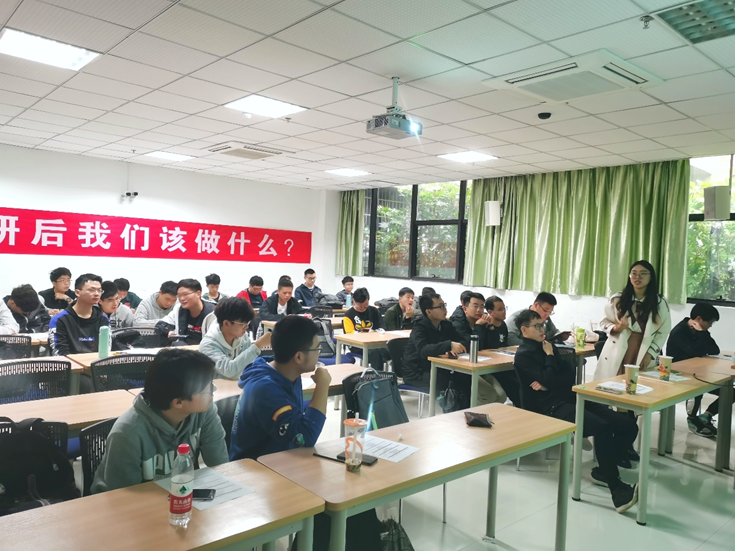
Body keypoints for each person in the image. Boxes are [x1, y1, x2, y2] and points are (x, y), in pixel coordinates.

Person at [230, 316, 382, 551]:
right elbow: (305, 437)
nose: (320, 353)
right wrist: (322, 385)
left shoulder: (283, 372)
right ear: (299, 357)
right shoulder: (265, 388)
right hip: (258, 472)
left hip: (284, 459)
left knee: (356, 498)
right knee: (336, 502)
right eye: (316, 348)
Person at [513, 309, 639, 513]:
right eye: (537, 326)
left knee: (628, 426)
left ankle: (603, 469)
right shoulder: (524, 355)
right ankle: (617, 489)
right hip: (551, 407)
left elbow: (569, 375)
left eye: (542, 325)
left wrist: (548, 380)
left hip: (571, 397)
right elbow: (551, 378)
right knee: (603, 428)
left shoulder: (549, 346)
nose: (542, 329)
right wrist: (550, 361)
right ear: (524, 330)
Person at [91, 348, 228, 493]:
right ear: (178, 402)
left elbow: (220, 465)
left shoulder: (204, 412)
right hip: (128, 502)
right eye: (208, 388)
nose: (213, 391)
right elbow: (124, 496)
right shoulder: (127, 433)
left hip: (180, 494)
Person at [594, 260, 671, 380]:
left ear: (651, 277)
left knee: (639, 384)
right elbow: (604, 322)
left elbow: (663, 331)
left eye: (643, 273)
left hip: (643, 348)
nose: (637, 277)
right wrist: (616, 328)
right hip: (619, 347)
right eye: (634, 273)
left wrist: (650, 354)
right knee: (613, 384)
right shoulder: (618, 299)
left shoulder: (659, 303)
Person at [667, 303, 725, 437]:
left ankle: (706, 416)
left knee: (729, 392)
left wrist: (702, 333)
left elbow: (714, 350)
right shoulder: (679, 332)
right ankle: (692, 419)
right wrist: (701, 333)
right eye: (710, 322)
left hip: (696, 372)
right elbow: (696, 351)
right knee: (697, 386)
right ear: (699, 319)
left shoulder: (700, 331)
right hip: (679, 375)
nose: (710, 325)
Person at [401, 292, 470, 405]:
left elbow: (461, 341)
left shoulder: (445, 325)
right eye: (440, 306)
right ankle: (450, 408)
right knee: (446, 381)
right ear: (428, 312)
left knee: (464, 377)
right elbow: (423, 350)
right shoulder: (419, 327)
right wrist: (448, 345)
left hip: (438, 367)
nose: (444, 309)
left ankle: (465, 408)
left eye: (444, 305)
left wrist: (454, 347)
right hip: (417, 372)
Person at [450, 291, 510, 404]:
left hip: (479, 364)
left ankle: (487, 413)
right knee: (489, 395)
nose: (479, 310)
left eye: (482, 306)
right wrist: (478, 326)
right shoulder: (457, 323)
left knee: (501, 395)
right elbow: (469, 346)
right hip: (460, 368)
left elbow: (492, 346)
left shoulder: (483, 321)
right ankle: (474, 413)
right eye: (475, 306)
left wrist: (490, 327)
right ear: (465, 308)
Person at [199, 297, 272, 380]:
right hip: (216, 387)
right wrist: (258, 345)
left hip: (237, 384)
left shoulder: (242, 336)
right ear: (226, 323)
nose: (246, 327)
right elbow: (229, 371)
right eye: (243, 324)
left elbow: (249, 366)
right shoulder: (208, 345)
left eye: (247, 323)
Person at [49, 273, 108, 357]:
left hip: (96, 364)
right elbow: (60, 353)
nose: (97, 294)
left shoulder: (103, 318)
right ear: (77, 292)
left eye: (99, 290)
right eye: (91, 290)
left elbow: (105, 350)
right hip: (70, 364)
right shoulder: (60, 320)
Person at [155, 279, 215, 346]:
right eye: (179, 295)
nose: (181, 299)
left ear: (198, 294)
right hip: (184, 349)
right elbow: (161, 324)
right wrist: (169, 331)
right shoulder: (179, 309)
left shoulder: (213, 313)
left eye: (185, 294)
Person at [343, 287, 391, 369]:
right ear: (354, 301)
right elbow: (350, 334)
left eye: (365, 306)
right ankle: (377, 375)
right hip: (358, 346)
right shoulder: (348, 315)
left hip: (375, 343)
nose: (362, 309)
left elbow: (382, 329)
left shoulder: (374, 311)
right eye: (359, 306)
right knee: (375, 352)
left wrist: (374, 332)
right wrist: (362, 334)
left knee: (394, 349)